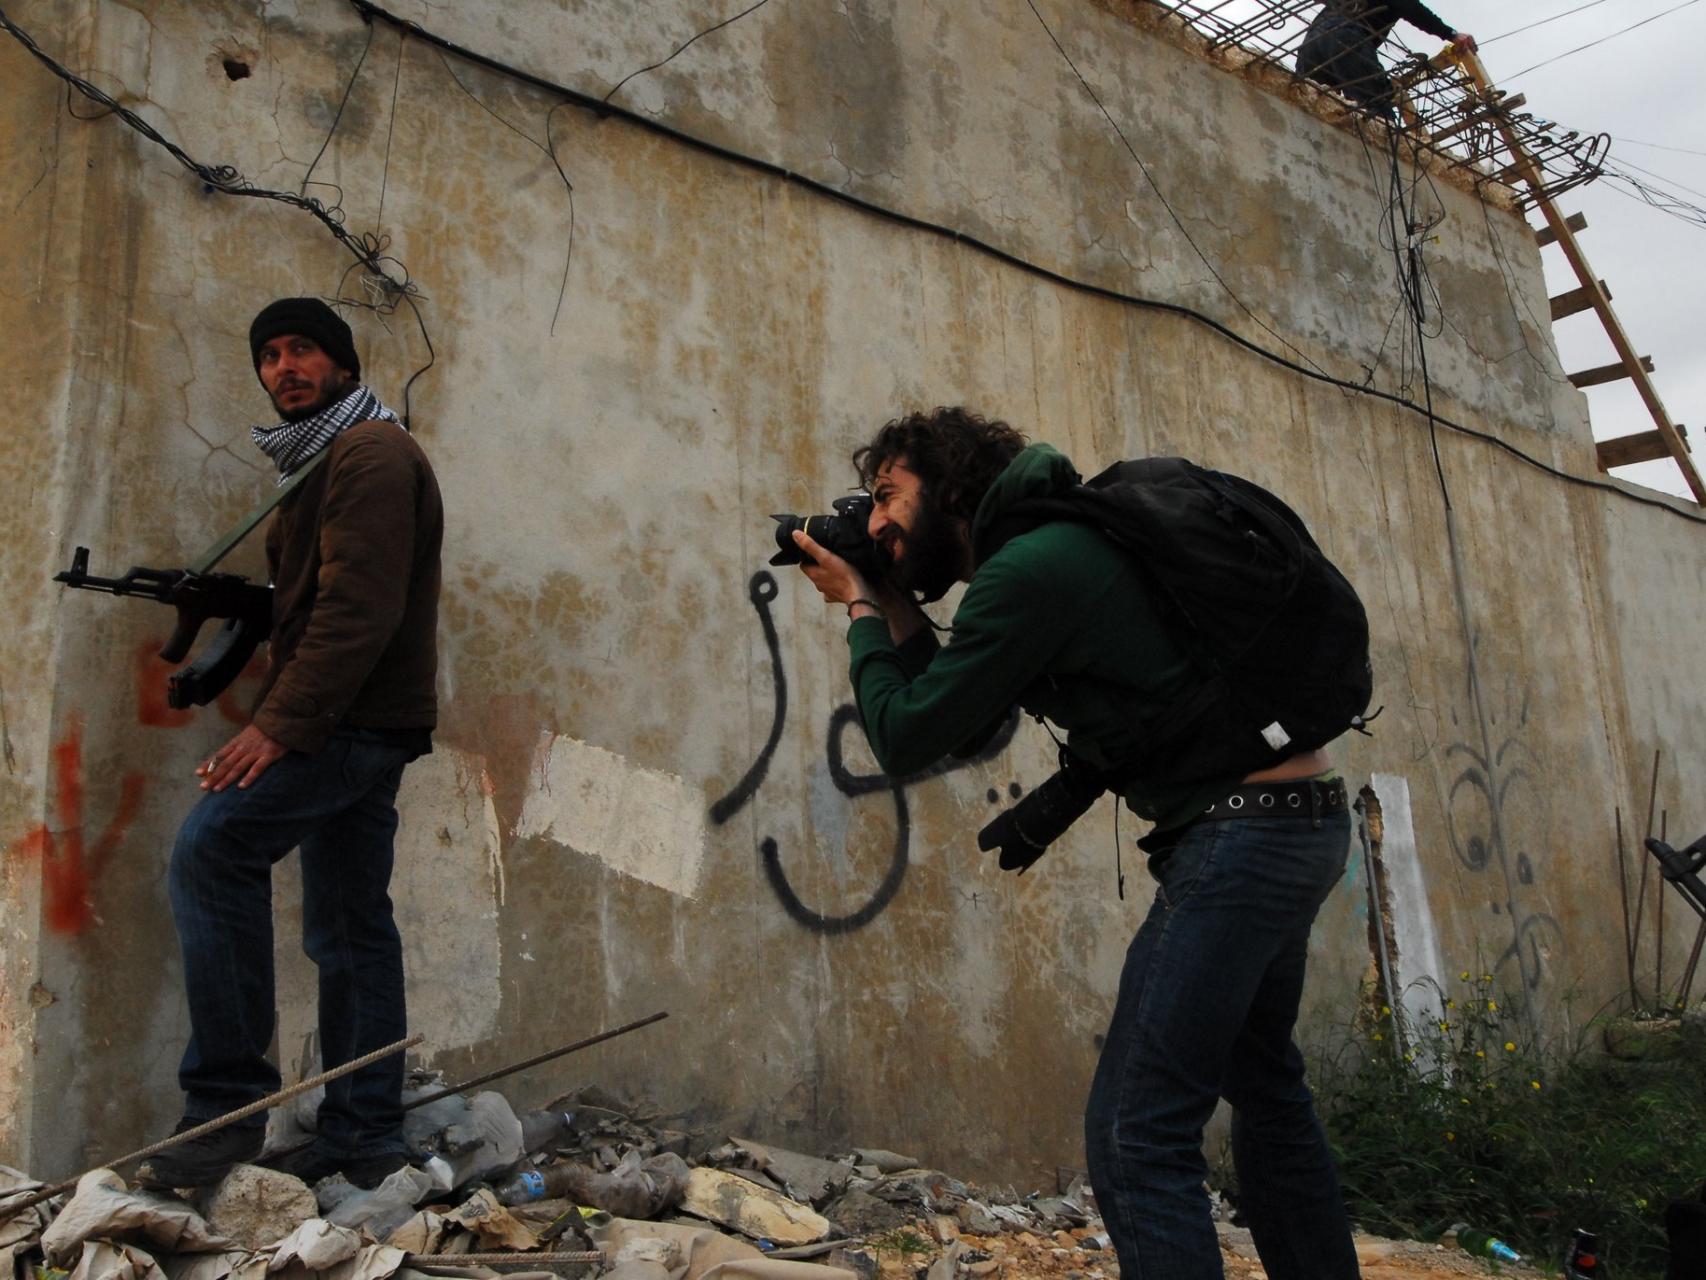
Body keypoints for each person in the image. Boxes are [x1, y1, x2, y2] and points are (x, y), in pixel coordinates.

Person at [791, 407, 1360, 1280]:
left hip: (1242, 842)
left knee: (1136, 1131)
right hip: (1295, 821)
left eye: (886, 498)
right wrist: (896, 601)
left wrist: (864, 609)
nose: (871, 524)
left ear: (948, 490)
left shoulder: (1030, 570)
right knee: (1267, 1091)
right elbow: (970, 696)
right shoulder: (1056, 545)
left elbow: (906, 734)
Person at [139, 298, 444, 1190]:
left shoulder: (370, 454)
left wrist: (279, 722)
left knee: (212, 847)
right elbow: (314, 593)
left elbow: (359, 608)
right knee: (351, 924)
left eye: (303, 350)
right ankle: (364, 1138)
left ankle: (225, 1107)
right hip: (362, 720)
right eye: (268, 355)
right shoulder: (323, 462)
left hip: (345, 721)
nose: (285, 368)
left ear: (344, 366)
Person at [1297, 0, 1477, 116]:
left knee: (1311, 105)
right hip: (1345, 37)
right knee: (1378, 117)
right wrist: (1451, 34)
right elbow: (1410, 8)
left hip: (1311, 43)